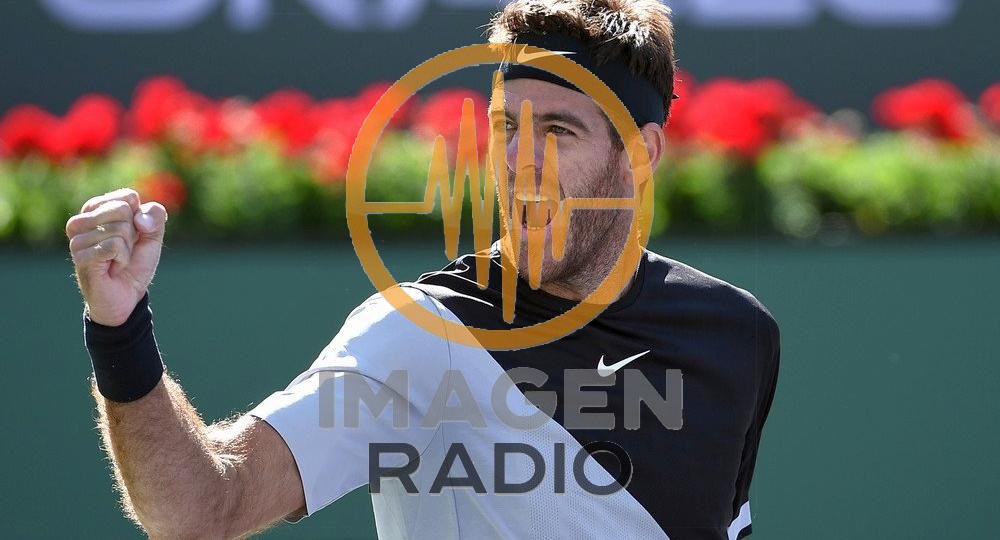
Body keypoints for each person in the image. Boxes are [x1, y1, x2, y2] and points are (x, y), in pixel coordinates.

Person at [65, 1, 779, 538]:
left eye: (558, 131)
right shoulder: (419, 334)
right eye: (507, 127)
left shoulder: (736, 335)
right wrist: (119, 330)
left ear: (641, 155)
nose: (517, 161)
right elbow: (201, 509)